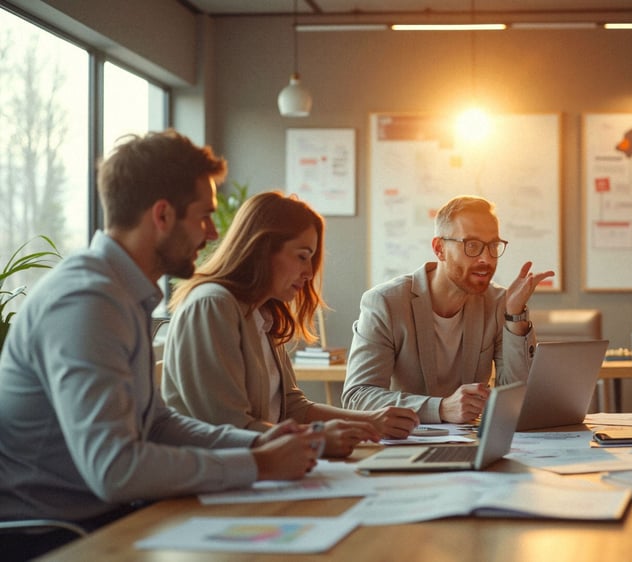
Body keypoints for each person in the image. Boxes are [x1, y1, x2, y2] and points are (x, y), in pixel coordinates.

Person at [0, 130, 322, 560]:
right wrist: (259, 465)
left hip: (106, 518)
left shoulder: (121, 293)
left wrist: (255, 445)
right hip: (57, 537)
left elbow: (156, 424)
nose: (211, 233)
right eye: (204, 216)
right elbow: (115, 469)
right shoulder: (87, 300)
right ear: (163, 215)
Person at [162, 191, 420, 455]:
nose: (309, 273)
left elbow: (292, 407)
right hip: (220, 477)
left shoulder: (262, 313)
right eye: (302, 256)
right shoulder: (212, 305)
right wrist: (316, 440)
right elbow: (227, 426)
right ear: (262, 249)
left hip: (261, 469)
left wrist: (371, 420)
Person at [342, 195, 554, 423]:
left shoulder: (499, 303)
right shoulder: (386, 302)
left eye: (493, 245)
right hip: (405, 442)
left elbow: (517, 396)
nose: (486, 258)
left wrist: (514, 316)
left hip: (474, 443)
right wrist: (440, 408)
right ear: (439, 248)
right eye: (472, 245)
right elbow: (358, 396)